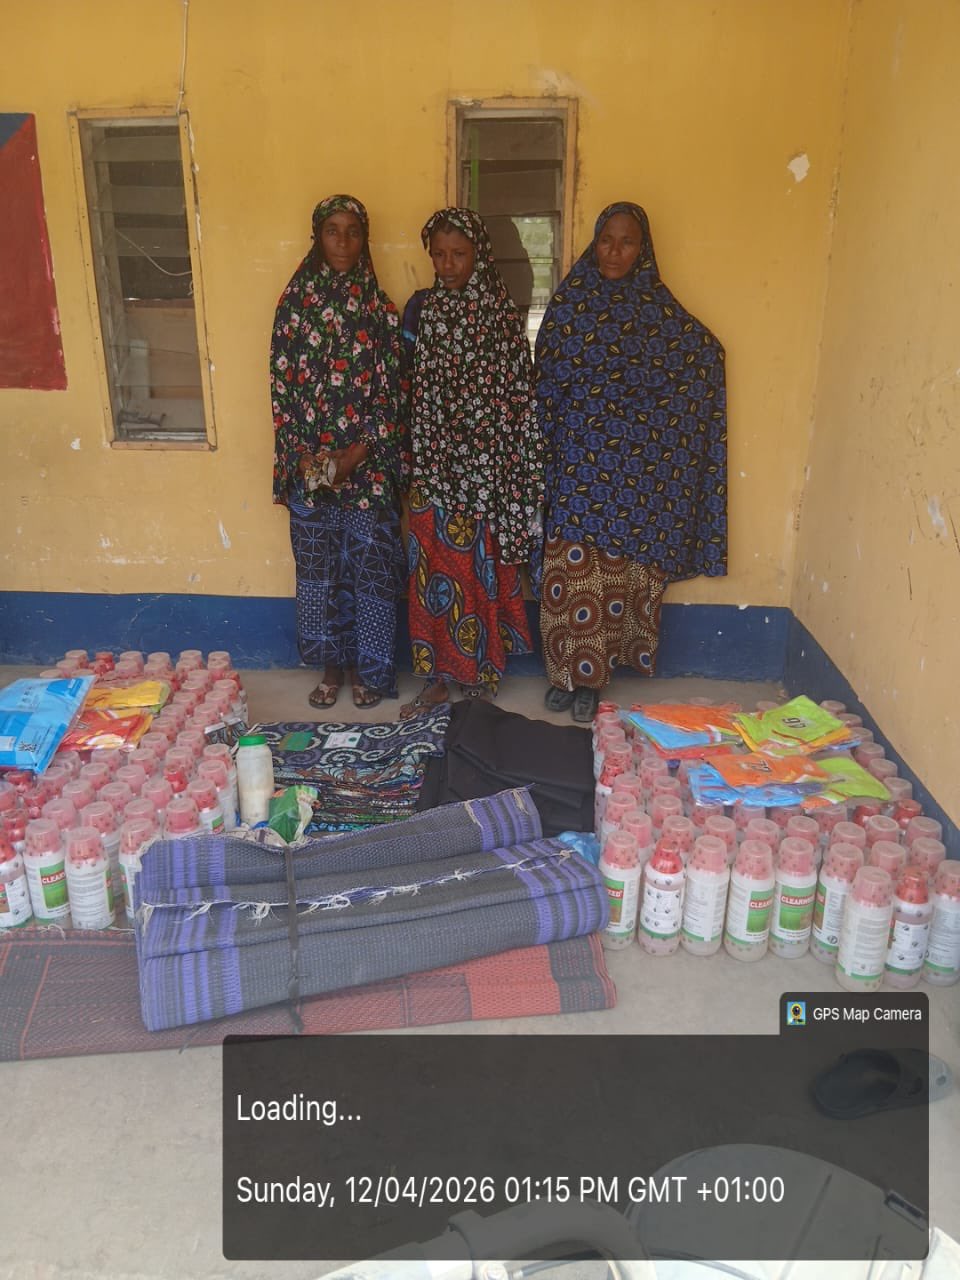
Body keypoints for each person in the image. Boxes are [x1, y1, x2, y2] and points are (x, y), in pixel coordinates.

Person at [535, 201, 727, 722]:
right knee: (569, 567)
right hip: (576, 460)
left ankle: (590, 680)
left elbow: (702, 355)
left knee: (612, 575)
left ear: (643, 249)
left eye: (626, 242)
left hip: (630, 472)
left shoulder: (657, 310)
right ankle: (562, 671)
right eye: (606, 240)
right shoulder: (570, 304)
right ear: (593, 243)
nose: (614, 251)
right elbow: (546, 377)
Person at [399, 207, 544, 718]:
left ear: (478, 253)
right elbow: (411, 387)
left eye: (458, 254)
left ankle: (481, 672)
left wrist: (507, 465)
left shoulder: (500, 313)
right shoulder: (425, 310)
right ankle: (438, 676)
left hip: (485, 469)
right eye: (438, 255)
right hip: (435, 466)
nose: (447, 264)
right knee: (433, 567)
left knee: (477, 568)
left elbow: (518, 393)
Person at [270, 194, 407, 710]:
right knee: (319, 574)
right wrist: (307, 458)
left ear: (364, 238)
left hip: (365, 467)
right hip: (309, 468)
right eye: (333, 230)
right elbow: (282, 387)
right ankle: (331, 669)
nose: (343, 241)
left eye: (353, 231)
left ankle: (367, 672)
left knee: (369, 574)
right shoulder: (294, 305)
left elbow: (393, 394)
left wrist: (355, 455)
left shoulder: (380, 310)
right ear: (318, 236)